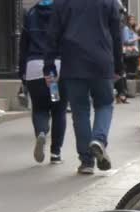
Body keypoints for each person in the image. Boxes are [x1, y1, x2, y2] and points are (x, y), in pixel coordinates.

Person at [44, 0, 123, 175]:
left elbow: (52, 35)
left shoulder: (61, 3)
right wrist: (119, 66)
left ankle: (86, 161)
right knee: (104, 104)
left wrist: (49, 65)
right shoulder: (109, 2)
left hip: (73, 63)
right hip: (101, 61)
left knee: (80, 111)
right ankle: (99, 139)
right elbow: (116, 36)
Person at [19, 0, 67, 164]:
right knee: (58, 110)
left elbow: (23, 45)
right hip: (55, 68)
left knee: (39, 109)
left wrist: (22, 72)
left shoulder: (30, 13)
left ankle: (41, 132)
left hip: (34, 67)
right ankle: (56, 153)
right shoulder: (62, 11)